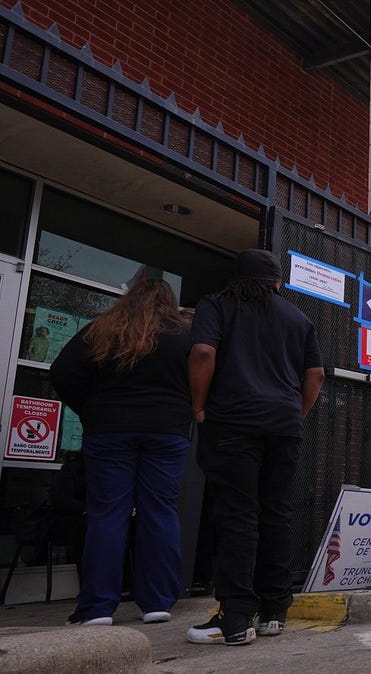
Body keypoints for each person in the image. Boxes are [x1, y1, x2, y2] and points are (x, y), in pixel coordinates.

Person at [187, 250, 324, 646]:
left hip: (233, 421)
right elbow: (314, 374)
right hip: (282, 426)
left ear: (236, 279)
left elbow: (202, 353)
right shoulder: (298, 317)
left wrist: (198, 406)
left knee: (236, 516)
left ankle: (234, 617)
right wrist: (294, 413)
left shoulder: (218, 305)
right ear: (278, 283)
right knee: (275, 514)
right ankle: (275, 610)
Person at [49, 277, 193, 627]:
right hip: (166, 431)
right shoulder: (184, 336)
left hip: (109, 431)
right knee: (159, 511)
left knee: (106, 514)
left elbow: (62, 372)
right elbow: (203, 375)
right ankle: (157, 602)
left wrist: (92, 408)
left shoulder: (104, 329)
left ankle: (97, 608)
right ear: (169, 302)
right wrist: (183, 410)